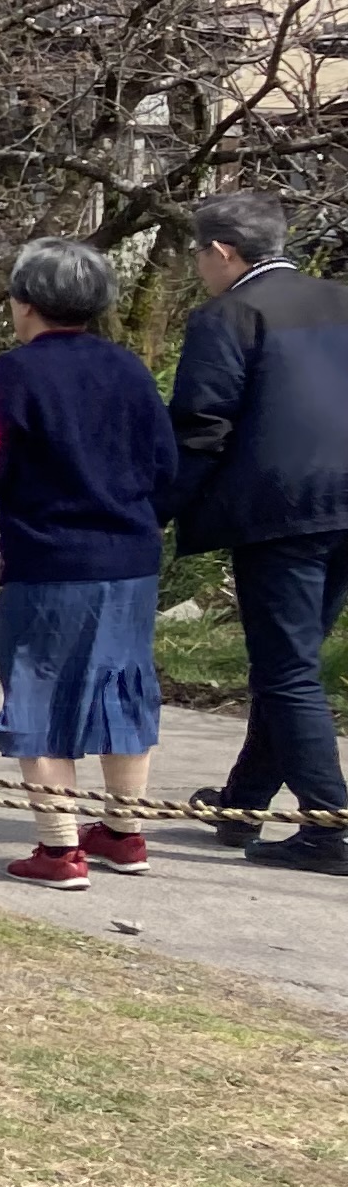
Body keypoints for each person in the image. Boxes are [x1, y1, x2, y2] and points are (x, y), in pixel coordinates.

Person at [0, 237, 179, 889]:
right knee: (125, 688)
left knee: (41, 691)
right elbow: (165, 466)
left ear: (25, 301)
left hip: (51, 558)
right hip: (131, 556)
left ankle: (59, 849)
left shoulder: (15, 373)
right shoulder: (128, 368)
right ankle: (124, 832)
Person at [169, 188, 348, 873]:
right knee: (291, 663)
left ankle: (328, 824)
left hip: (282, 509)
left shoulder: (229, 314)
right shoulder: (340, 299)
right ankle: (243, 803)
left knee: (287, 669)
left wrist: (157, 506)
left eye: (198, 254)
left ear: (222, 252)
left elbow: (201, 426)